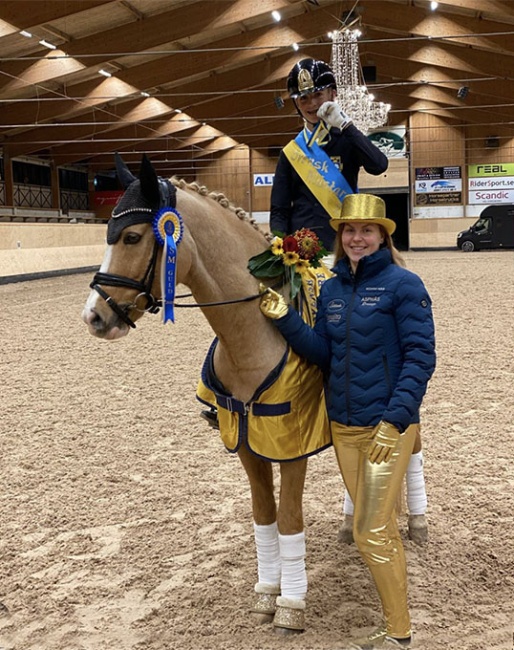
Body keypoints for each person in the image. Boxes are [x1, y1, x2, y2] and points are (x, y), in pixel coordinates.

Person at [259, 193, 436, 649]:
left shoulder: (405, 285)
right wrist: (285, 321)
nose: (357, 238)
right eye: (350, 231)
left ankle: (399, 632)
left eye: (367, 230)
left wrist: (396, 421)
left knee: (370, 530)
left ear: (382, 236)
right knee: (377, 527)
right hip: (344, 427)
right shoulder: (332, 289)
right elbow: (324, 354)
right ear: (341, 237)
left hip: (387, 427)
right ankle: (397, 621)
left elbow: (421, 358)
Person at [270, 58, 389, 252]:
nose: (312, 104)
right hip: (304, 250)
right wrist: (279, 244)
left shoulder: (347, 139)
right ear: (297, 104)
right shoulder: (291, 153)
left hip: (346, 245)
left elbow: (379, 165)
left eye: (318, 94)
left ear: (333, 94)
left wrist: (346, 125)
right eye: (304, 99)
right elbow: (279, 208)